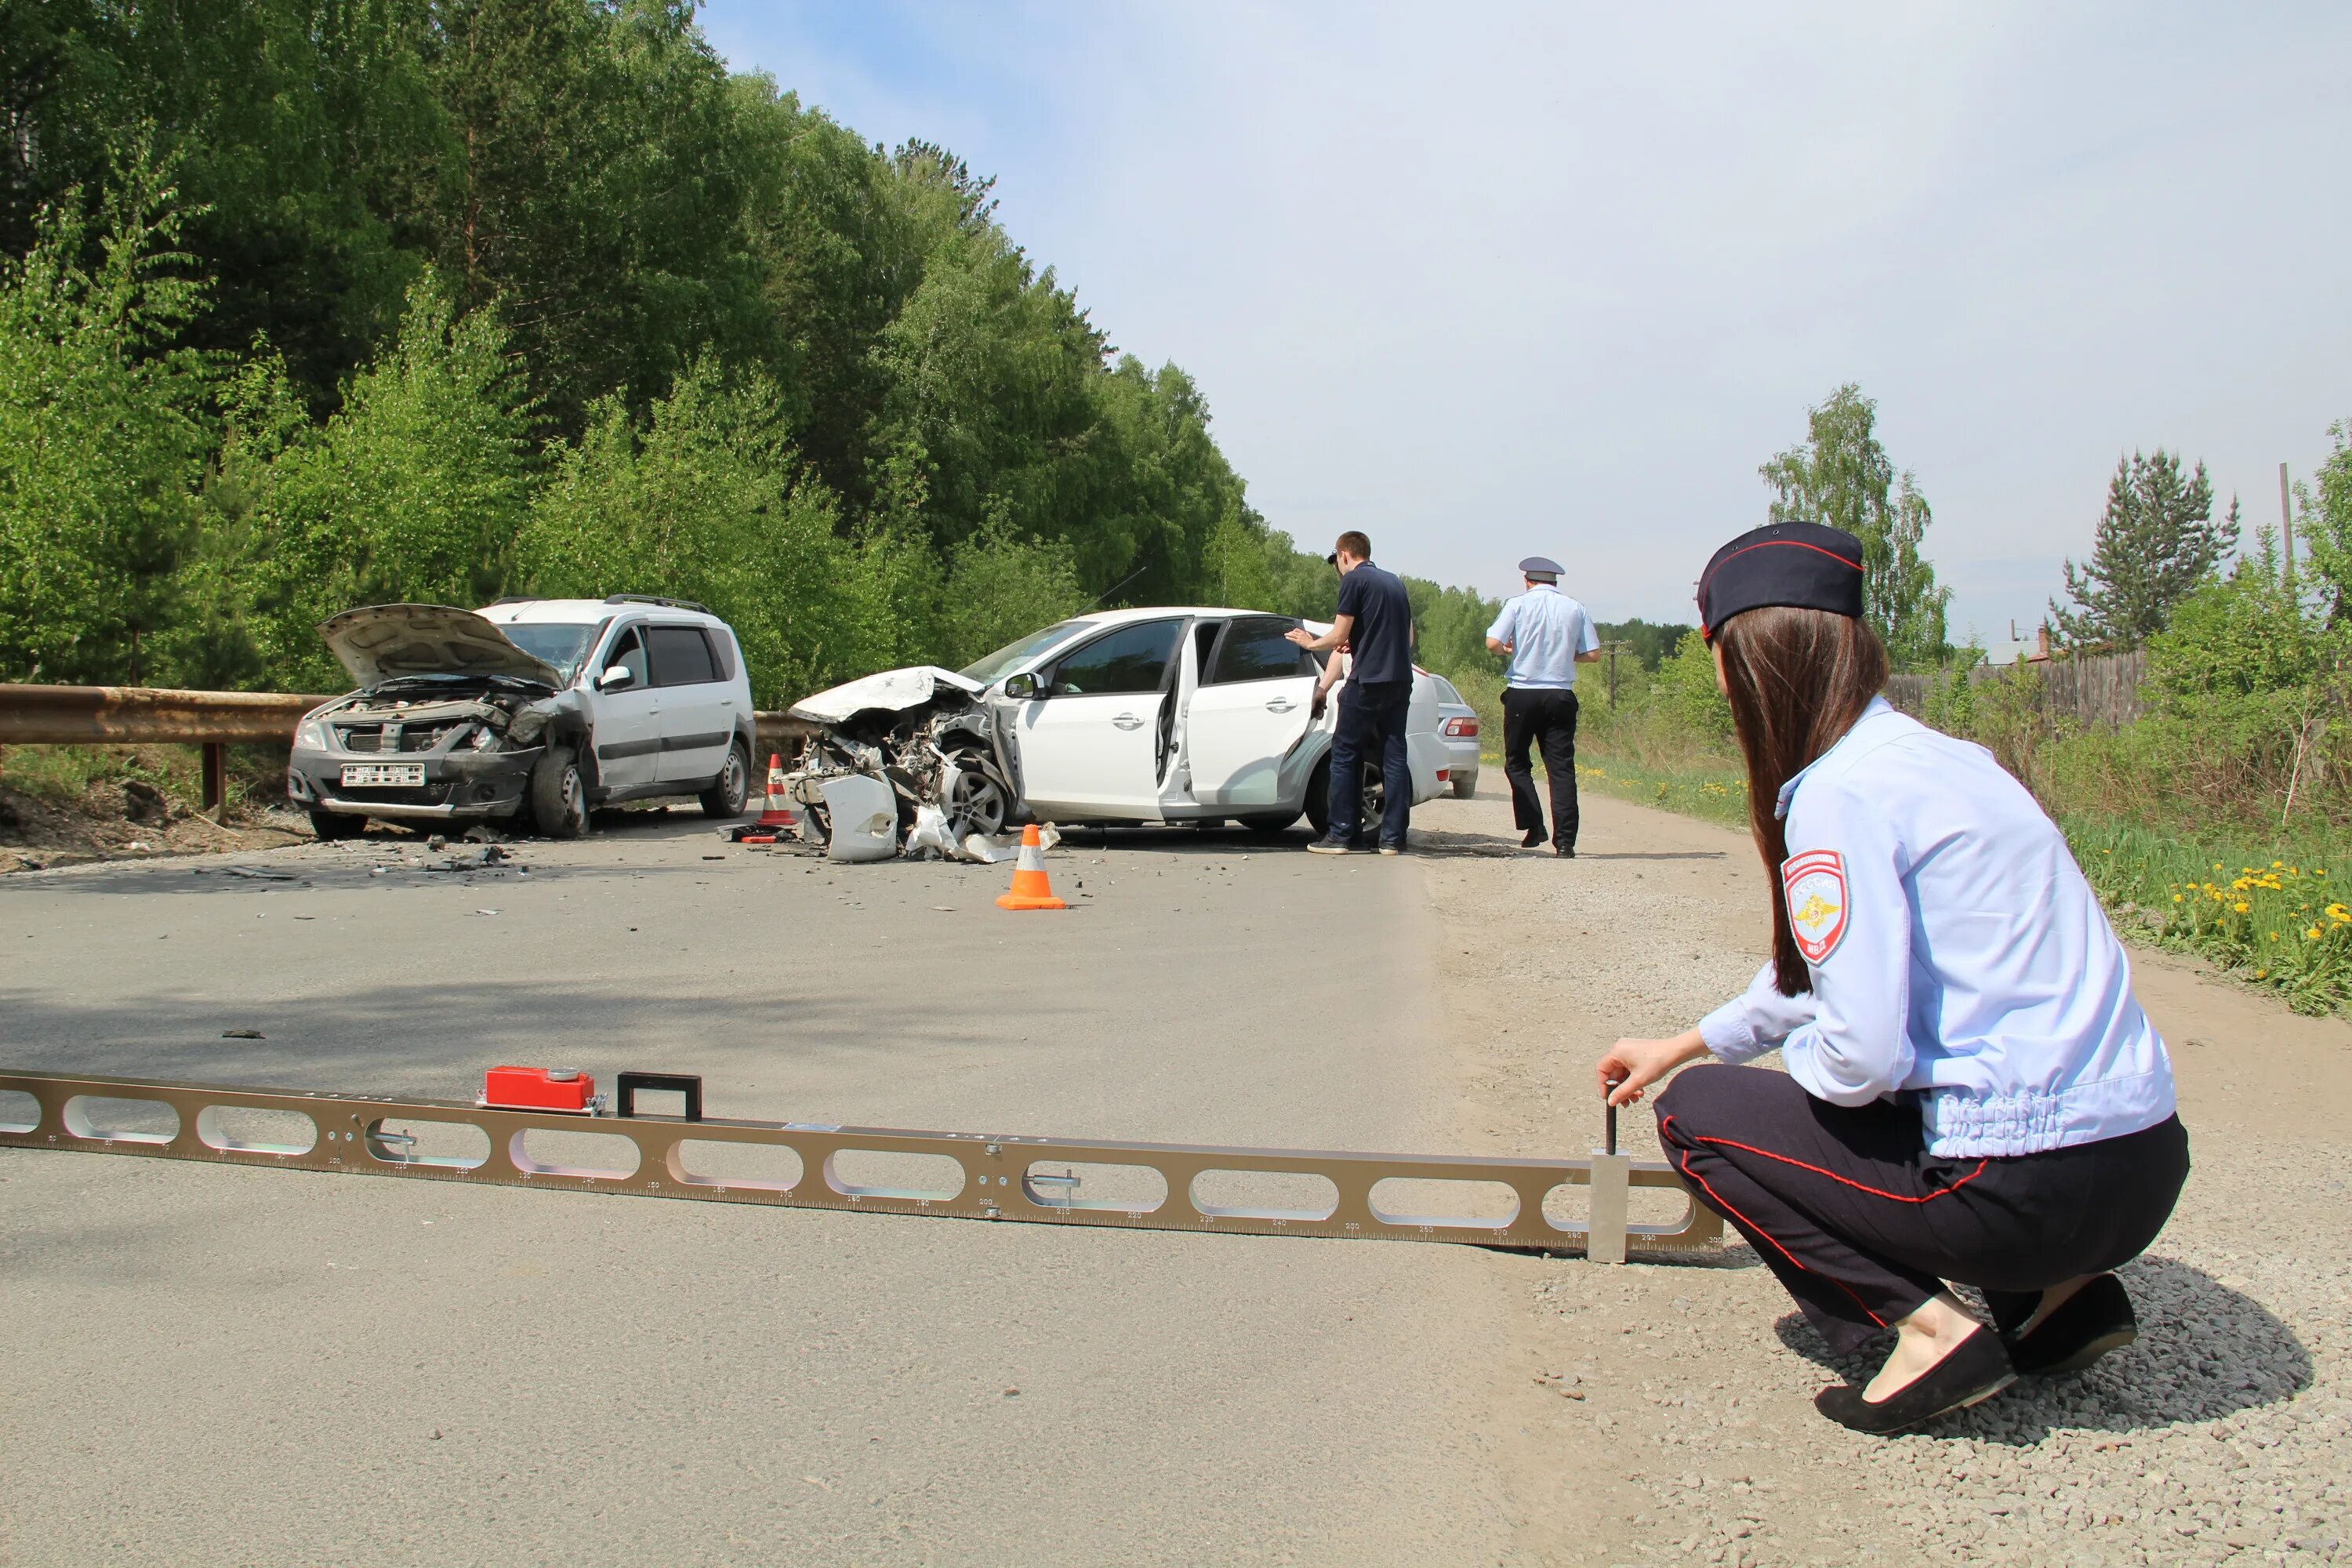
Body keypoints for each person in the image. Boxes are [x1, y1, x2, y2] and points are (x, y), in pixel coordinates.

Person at [1595, 521, 2187, 1436]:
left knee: (1700, 1115)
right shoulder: (1953, 761)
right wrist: (1687, 1039)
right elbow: (1834, 970)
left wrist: (1798, 1094)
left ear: (1743, 656)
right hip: (2144, 1169)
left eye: (1712, 651)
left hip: (2021, 1195)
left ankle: (1926, 1331)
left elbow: (1862, 1050)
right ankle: (2056, 1302)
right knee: (1942, 1077)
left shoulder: (1836, 793)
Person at [1287, 532, 1416, 855]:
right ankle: (1392, 839)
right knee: (1394, 756)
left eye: (1337, 562)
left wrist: (1310, 643)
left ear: (1345, 554)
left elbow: (1338, 634)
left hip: (1367, 682)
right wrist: (1364, 639)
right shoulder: (1395, 583)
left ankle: (1341, 836)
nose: (1338, 570)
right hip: (1399, 681)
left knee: (1344, 754)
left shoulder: (1354, 581)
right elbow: (1409, 638)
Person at [1485, 555, 1601, 855]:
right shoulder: (1576, 608)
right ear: (1555, 582)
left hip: (1523, 691)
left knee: (1517, 762)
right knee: (1561, 768)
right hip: (1560, 694)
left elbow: (1492, 642)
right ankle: (1565, 842)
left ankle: (1534, 825)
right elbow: (1593, 654)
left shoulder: (1518, 605)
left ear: (1527, 581)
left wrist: (1509, 649)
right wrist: (1565, 656)